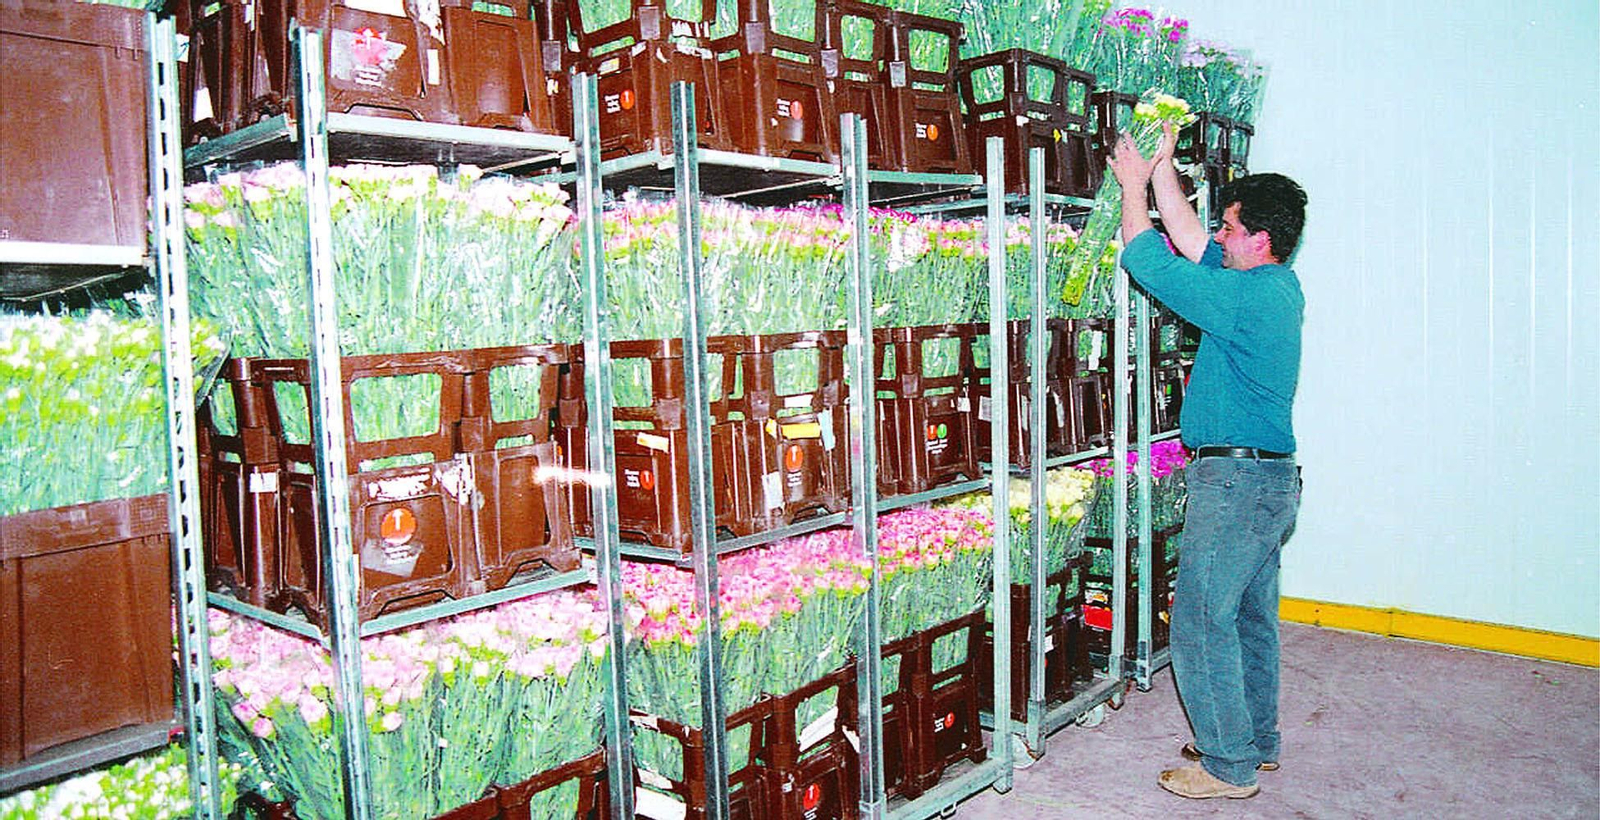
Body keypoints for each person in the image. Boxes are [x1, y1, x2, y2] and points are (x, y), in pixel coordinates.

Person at [1105, 124, 1307, 800]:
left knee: (1197, 618)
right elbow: (1191, 240)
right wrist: (1162, 171)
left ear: (1259, 239)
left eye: (1230, 227)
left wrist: (1130, 188)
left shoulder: (1247, 297)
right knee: (1247, 617)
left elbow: (1148, 259)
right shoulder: (1275, 287)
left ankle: (1227, 766)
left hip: (1238, 484)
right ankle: (1254, 742)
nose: (1220, 235)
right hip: (1266, 481)